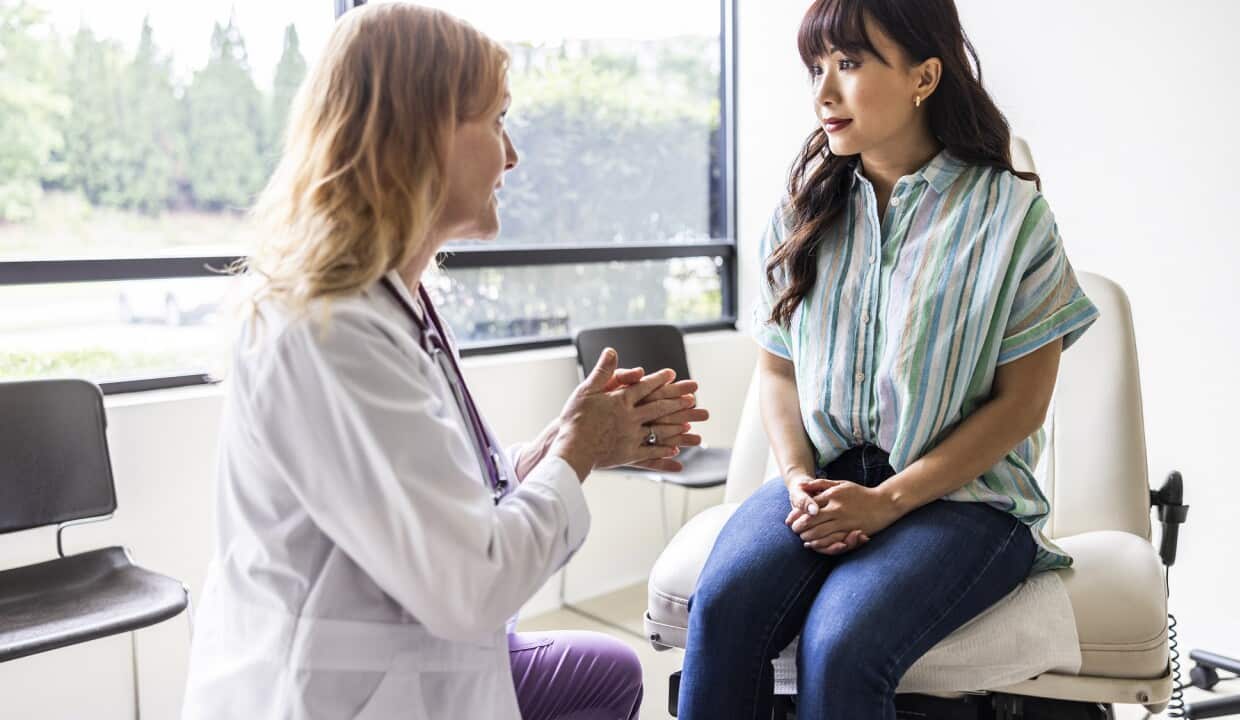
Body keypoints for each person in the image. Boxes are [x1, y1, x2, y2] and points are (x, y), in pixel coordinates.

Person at [181, 5, 709, 719]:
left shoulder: (398, 302)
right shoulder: (330, 331)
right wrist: (578, 455)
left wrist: (548, 450)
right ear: (420, 133)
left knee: (608, 671)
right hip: (340, 692)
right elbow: (472, 584)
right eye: (496, 122)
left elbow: (444, 492)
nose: (513, 155)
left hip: (427, 664)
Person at [678, 0, 1100, 717]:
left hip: (968, 502)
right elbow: (777, 370)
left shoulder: (1012, 218)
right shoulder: (800, 212)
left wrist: (886, 502)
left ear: (924, 76)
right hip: (824, 477)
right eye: (816, 67)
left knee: (843, 643)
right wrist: (799, 479)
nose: (823, 91)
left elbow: (1022, 405)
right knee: (721, 610)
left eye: (848, 63)